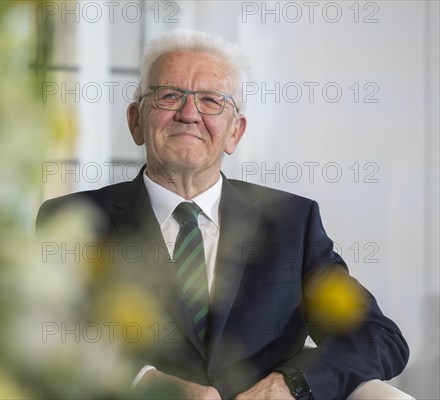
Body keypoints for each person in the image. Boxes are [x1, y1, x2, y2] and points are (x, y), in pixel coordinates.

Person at [36, 29, 409, 400]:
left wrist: (289, 384)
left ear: (235, 132)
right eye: (168, 96)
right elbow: (41, 335)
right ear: (136, 121)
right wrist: (144, 382)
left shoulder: (292, 223)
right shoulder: (74, 220)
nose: (188, 114)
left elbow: (377, 337)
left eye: (211, 100)